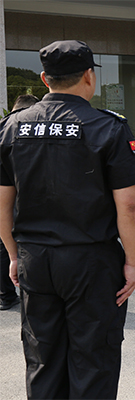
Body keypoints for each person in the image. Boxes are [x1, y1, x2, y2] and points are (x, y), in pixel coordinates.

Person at [0, 40, 135, 399]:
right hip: (91, 262)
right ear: (89, 76)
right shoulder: (108, 127)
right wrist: (132, 263)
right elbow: (129, 207)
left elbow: (2, 204)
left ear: (44, 79)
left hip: (36, 258)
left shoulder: (12, 127)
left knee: (43, 357)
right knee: (93, 358)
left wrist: (14, 255)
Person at [0, 94, 40, 312]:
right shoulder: (29, 129)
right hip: (16, 199)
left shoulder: (3, 128)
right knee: (13, 247)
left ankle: (5, 295)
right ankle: (13, 293)